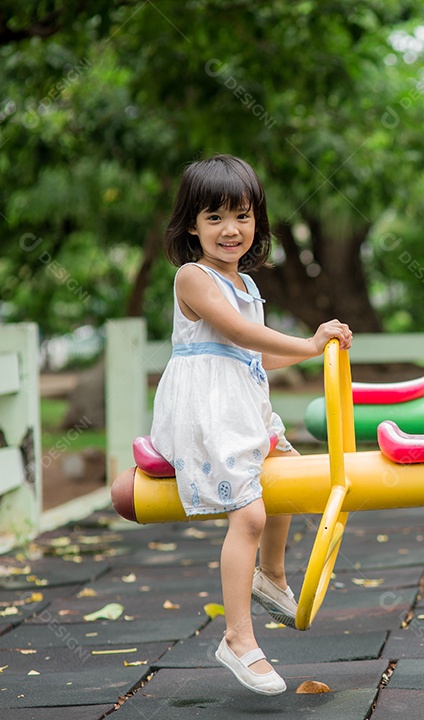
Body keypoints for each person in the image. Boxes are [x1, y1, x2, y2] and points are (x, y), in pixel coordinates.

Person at [151, 154, 351, 694]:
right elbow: (239, 336)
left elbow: (255, 357)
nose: (229, 229)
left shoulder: (247, 284)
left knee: (287, 476)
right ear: (190, 225)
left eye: (240, 215)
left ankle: (272, 575)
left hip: (243, 408)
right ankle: (237, 637)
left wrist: (315, 351)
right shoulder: (193, 278)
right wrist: (308, 340)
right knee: (251, 515)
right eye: (213, 217)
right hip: (206, 415)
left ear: (257, 219)